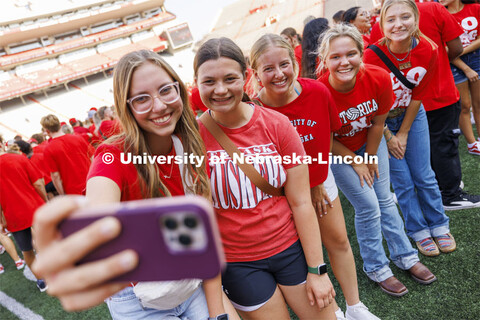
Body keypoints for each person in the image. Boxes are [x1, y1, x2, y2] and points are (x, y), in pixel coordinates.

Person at [32, 50, 238, 320]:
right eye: (142, 98)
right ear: (126, 105)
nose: (159, 106)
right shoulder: (112, 154)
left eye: (166, 90)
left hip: (191, 282)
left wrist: (218, 315)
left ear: (178, 87)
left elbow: (204, 240)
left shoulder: (190, 140)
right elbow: (97, 217)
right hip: (137, 299)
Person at [194, 37, 336, 320]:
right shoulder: (192, 139)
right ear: (196, 82)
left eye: (230, 78)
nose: (220, 90)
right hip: (238, 264)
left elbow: (301, 203)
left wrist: (317, 269)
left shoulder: (277, 124)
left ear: (246, 77)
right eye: (209, 81)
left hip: (290, 249)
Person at [250, 33, 379, 320]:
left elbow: (324, 139)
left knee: (338, 242)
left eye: (284, 64)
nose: (278, 74)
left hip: (320, 180)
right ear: (255, 72)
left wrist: (317, 182)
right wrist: (305, 188)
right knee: (300, 259)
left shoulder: (317, 93)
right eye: (268, 68)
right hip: (281, 195)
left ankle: (355, 306)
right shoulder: (253, 110)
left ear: (294, 62)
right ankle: (328, 312)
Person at [318, 23, 436, 297]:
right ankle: (376, 267)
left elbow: (377, 123)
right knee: (369, 206)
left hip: (371, 142)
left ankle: (405, 256)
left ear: (362, 53)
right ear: (325, 60)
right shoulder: (319, 92)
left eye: (351, 54)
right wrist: (356, 161)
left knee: (385, 198)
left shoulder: (379, 77)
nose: (344, 62)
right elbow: (324, 139)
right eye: (335, 57)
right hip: (336, 152)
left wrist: (369, 156)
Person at [364, 0, 457, 256]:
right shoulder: (371, 55)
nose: (398, 24)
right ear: (382, 25)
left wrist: (403, 133)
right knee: (402, 181)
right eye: (391, 19)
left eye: (405, 17)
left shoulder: (428, 48)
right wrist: (389, 136)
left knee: (424, 175)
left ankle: (439, 224)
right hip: (380, 123)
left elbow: (418, 95)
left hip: (412, 116)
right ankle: (418, 230)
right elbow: (369, 104)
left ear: (415, 19)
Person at [0, 135, 47, 291]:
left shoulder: (17, 158)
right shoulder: (18, 158)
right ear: (1, 143)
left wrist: (2, 220)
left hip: (13, 215)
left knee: (27, 251)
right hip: (35, 207)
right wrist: (45, 201)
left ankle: (42, 280)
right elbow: (38, 183)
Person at [441, 0, 480, 155]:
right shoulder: (441, 14)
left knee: (478, 103)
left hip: (476, 58)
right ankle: (472, 144)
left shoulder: (476, 8)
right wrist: (465, 67)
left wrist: (458, 51)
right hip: (453, 63)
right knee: (464, 105)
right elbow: (443, 48)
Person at [41, 114, 94, 195]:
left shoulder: (48, 150)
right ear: (60, 125)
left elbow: (55, 176)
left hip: (73, 191)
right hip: (92, 182)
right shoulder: (78, 138)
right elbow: (93, 158)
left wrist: (62, 194)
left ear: (47, 131)